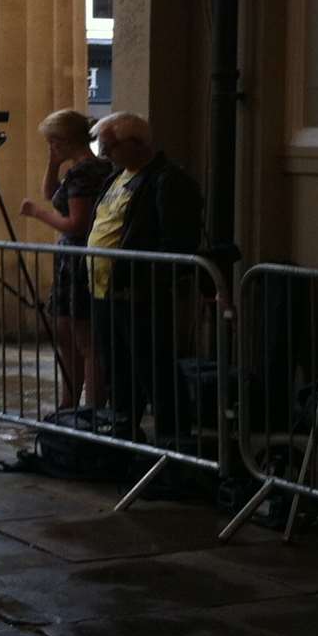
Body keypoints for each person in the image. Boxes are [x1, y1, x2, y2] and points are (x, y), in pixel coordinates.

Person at [86, 112, 203, 441]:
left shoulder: (168, 181)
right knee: (118, 369)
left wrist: (149, 280)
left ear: (136, 144)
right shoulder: (115, 178)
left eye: (110, 146)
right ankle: (126, 433)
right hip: (105, 290)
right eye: (102, 147)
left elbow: (177, 240)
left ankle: (173, 439)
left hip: (140, 293)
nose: (105, 153)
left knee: (155, 369)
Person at [19, 109, 115, 408]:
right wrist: (53, 163)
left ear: (63, 140)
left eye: (52, 143)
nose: (50, 147)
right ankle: (70, 403)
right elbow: (51, 192)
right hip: (72, 261)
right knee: (67, 333)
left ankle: (88, 408)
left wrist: (38, 214)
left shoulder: (85, 172)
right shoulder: (92, 168)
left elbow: (77, 224)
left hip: (79, 261)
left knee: (85, 339)